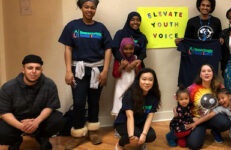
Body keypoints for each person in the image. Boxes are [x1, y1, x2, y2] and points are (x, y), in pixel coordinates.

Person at [58, 0, 112, 148]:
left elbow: (108, 49)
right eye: (86, 7)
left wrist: (105, 70)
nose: (89, 10)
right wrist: (68, 71)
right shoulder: (72, 26)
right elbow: (68, 48)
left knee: (94, 101)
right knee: (79, 102)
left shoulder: (101, 28)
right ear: (81, 8)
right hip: (78, 70)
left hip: (97, 70)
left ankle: (93, 131)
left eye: (92, 7)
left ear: (96, 9)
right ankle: (78, 132)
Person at [0, 55, 65, 150]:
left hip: (39, 118)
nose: (34, 71)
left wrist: (36, 122)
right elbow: (4, 112)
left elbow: (50, 106)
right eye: (30, 68)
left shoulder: (49, 84)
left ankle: (42, 137)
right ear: (23, 70)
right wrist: (21, 126)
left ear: (41, 70)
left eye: (37, 68)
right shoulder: (8, 87)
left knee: (58, 120)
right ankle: (15, 141)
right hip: (16, 118)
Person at [167, 64, 231, 149]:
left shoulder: (219, 86)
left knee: (225, 123)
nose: (206, 73)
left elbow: (225, 101)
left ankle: (215, 131)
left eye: (209, 71)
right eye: (203, 71)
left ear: (212, 73)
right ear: (200, 75)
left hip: (212, 117)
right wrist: (176, 110)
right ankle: (199, 131)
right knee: (193, 145)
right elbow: (181, 99)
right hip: (196, 119)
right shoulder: (192, 88)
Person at [175, 0, 222, 87]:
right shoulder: (191, 21)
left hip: (210, 56)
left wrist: (221, 40)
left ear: (211, 8)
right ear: (199, 6)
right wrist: (179, 42)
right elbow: (186, 40)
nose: (205, 7)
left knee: (209, 79)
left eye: (208, 6)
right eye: (203, 5)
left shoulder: (216, 21)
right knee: (193, 78)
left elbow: (219, 38)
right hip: (194, 56)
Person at [114, 68, 161, 150]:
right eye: (144, 79)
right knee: (135, 134)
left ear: (154, 82)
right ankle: (120, 144)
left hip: (140, 123)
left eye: (150, 80)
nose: (147, 82)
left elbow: (150, 117)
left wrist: (144, 134)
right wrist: (131, 136)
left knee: (151, 136)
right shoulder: (130, 94)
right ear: (138, 80)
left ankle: (140, 142)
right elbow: (129, 117)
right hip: (123, 122)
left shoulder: (154, 97)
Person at [111, 37, 141, 137]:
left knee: (132, 107)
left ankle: (131, 127)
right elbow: (115, 74)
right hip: (120, 87)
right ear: (121, 49)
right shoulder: (118, 60)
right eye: (126, 49)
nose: (128, 51)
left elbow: (139, 75)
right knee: (118, 106)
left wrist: (135, 67)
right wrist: (121, 66)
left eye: (131, 48)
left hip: (132, 88)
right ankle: (117, 128)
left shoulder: (136, 59)